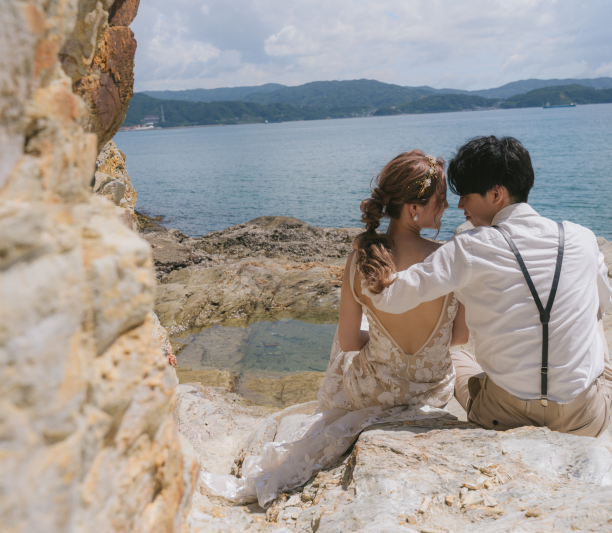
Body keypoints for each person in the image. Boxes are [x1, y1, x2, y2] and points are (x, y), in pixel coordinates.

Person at [199, 150, 469, 508]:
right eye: (441, 200)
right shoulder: (450, 259)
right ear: (414, 208)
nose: (447, 207)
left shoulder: (361, 259)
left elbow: (347, 342)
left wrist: (384, 340)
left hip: (374, 390)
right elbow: (460, 339)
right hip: (430, 392)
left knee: (349, 338)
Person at [364, 136, 612, 438]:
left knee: (456, 355)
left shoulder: (469, 247)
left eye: (465, 195)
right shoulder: (582, 238)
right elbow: (604, 302)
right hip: (583, 420)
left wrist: (370, 254)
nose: (459, 206)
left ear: (496, 194)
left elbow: (389, 297)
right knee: (595, 312)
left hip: (502, 416)